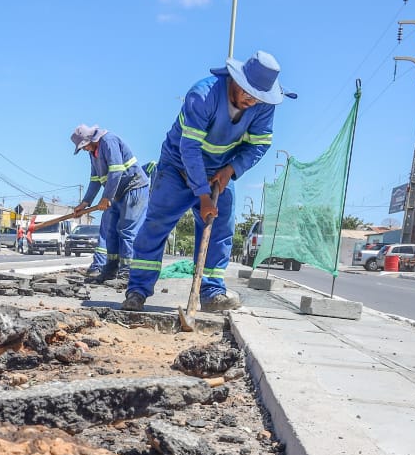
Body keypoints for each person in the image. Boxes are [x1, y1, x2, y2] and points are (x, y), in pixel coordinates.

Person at [122, 51, 295, 313]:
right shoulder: (202, 95)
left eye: (259, 97)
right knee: (156, 227)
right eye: (248, 93)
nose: (252, 101)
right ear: (236, 80)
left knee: (219, 231)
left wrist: (231, 169)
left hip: (219, 173)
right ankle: (137, 291)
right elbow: (189, 148)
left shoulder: (262, 106)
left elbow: (259, 145)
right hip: (178, 168)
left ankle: (212, 293)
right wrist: (203, 195)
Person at [67, 125, 152, 284]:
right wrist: (85, 203)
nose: (84, 150)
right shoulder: (93, 153)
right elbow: (95, 179)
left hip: (134, 188)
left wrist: (106, 197)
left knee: (127, 231)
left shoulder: (108, 141)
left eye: (84, 146)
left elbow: (116, 170)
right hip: (117, 193)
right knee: (111, 231)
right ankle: (111, 269)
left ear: (90, 139)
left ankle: (127, 272)